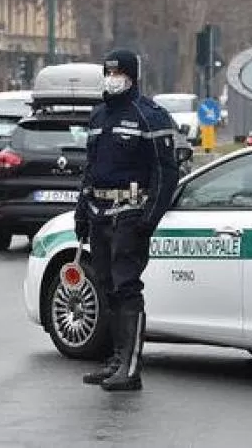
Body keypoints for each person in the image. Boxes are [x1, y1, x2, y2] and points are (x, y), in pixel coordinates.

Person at [74, 49, 180, 392]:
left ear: (132, 76)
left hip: (130, 212)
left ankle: (131, 369)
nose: (112, 78)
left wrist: (148, 218)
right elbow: (90, 169)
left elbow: (166, 172)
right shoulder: (99, 116)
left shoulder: (149, 116)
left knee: (126, 286)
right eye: (108, 73)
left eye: (118, 73)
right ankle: (117, 360)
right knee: (106, 286)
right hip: (99, 211)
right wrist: (81, 211)